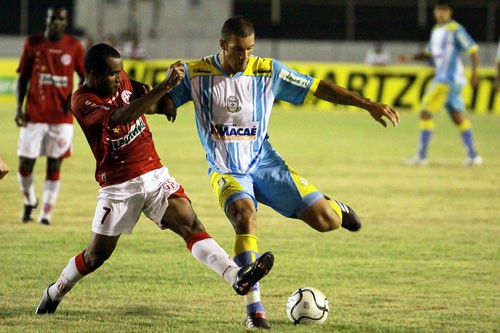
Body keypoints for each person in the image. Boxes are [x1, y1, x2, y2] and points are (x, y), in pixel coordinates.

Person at [163, 16, 399, 329]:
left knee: (325, 221)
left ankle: (336, 208)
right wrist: (165, 91)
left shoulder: (267, 71)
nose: (244, 56)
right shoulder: (195, 73)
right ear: (222, 45)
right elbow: (162, 103)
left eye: (249, 49)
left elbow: (317, 87)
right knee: (243, 216)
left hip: (265, 163)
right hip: (226, 169)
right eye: (237, 49)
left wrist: (365, 103)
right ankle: (255, 311)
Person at [35, 43, 274, 317]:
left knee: (191, 224)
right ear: (93, 74)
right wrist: (164, 87)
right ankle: (55, 291)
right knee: (95, 256)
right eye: (113, 74)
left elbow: (135, 89)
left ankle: (236, 277)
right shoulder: (82, 101)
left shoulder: (118, 79)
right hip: (119, 186)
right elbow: (122, 116)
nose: (119, 77)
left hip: (154, 173)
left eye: (120, 72)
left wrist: (160, 103)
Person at [15, 6, 85, 225]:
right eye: (53, 19)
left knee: (54, 164)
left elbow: (85, 78)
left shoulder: (74, 46)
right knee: (25, 164)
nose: (56, 23)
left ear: (65, 22)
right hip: (34, 114)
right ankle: (30, 201)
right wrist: (19, 107)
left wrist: (73, 98)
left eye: (61, 19)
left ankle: (46, 213)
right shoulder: (32, 44)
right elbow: (23, 77)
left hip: (61, 118)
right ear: (46, 20)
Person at [397, 0, 482, 166]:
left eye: (444, 10)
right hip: (448, 80)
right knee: (456, 116)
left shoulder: (455, 29)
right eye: (438, 10)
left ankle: (421, 157)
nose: (440, 13)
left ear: (450, 12)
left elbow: (473, 50)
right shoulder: (437, 30)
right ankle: (473, 156)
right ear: (435, 12)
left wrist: (474, 75)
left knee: (425, 112)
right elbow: (428, 53)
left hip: (447, 80)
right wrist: (409, 57)